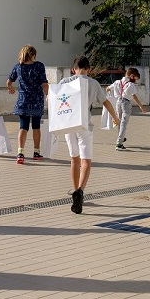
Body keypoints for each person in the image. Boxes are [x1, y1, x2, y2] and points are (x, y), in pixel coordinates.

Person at [59, 55, 119, 214]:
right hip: (84, 124)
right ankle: (80, 190)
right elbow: (105, 101)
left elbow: (53, 98)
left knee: (74, 159)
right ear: (89, 69)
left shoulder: (65, 82)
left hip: (68, 124)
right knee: (86, 161)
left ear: (73, 69)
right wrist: (115, 117)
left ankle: (74, 191)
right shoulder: (93, 83)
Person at [6, 44, 49, 164]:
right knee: (36, 127)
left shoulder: (18, 67)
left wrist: (10, 88)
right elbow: (44, 83)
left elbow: (9, 81)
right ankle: (36, 152)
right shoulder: (39, 66)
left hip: (23, 101)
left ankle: (20, 153)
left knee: (23, 127)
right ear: (33, 55)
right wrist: (49, 95)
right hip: (36, 101)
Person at [108, 67, 147, 150]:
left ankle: (121, 138)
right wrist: (141, 106)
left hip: (118, 103)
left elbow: (108, 88)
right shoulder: (130, 84)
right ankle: (119, 143)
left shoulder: (117, 82)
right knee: (124, 124)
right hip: (126, 104)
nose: (135, 81)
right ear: (131, 76)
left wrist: (109, 94)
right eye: (135, 78)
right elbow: (134, 96)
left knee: (119, 121)